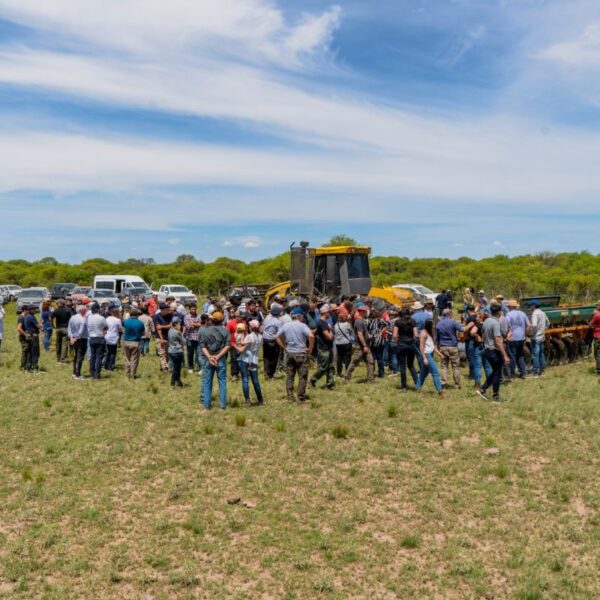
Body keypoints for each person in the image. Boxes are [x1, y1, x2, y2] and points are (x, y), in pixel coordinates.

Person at [277, 307, 314, 402]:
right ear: (299, 316)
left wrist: (284, 346)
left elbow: (277, 336)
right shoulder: (302, 325)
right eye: (302, 316)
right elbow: (311, 336)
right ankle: (301, 397)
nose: (303, 318)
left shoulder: (286, 325)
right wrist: (310, 348)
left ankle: (290, 396)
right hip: (301, 353)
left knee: (290, 376)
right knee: (303, 377)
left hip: (290, 353)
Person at [477, 303, 511, 401]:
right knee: (497, 374)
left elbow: (483, 336)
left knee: (495, 371)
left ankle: (483, 389)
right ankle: (495, 395)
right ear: (499, 312)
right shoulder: (495, 323)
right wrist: (505, 355)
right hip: (494, 351)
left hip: (487, 349)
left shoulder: (487, 321)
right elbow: (497, 340)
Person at [200, 311, 230, 409]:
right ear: (222, 320)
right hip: (220, 359)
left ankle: (207, 405)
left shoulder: (205, 331)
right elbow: (227, 346)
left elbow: (203, 347)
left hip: (209, 360)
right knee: (222, 382)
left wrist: (209, 357)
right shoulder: (225, 331)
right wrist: (217, 357)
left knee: (207, 382)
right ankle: (222, 405)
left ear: (212, 320)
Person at [237, 319, 265, 405]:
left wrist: (241, 336)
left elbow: (242, 346)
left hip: (244, 360)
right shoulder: (261, 337)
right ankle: (260, 400)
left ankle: (247, 400)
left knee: (245, 380)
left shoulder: (249, 336)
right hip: (254, 360)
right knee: (255, 381)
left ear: (251, 327)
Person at [435, 308, 463, 388]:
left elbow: (437, 339)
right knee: (456, 367)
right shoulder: (453, 322)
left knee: (444, 366)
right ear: (449, 314)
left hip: (443, 347)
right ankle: (457, 384)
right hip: (453, 346)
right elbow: (461, 329)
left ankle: (443, 383)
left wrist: (438, 349)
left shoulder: (438, 324)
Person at [345, 305, 374, 382]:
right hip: (360, 346)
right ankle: (346, 378)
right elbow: (359, 334)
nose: (368, 313)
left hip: (365, 345)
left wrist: (368, 336)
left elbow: (363, 334)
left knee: (370, 361)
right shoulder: (359, 321)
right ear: (362, 312)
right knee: (354, 362)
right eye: (366, 311)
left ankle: (370, 379)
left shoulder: (362, 321)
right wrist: (364, 345)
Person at [392, 308, 418, 391]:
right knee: (411, 365)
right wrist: (413, 341)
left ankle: (404, 387)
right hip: (411, 345)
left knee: (402, 366)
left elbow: (395, 335)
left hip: (401, 344)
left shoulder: (398, 322)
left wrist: (396, 343)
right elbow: (416, 335)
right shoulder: (413, 321)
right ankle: (417, 384)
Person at [310, 304, 335, 390]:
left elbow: (314, 332)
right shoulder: (323, 324)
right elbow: (329, 337)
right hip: (324, 348)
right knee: (323, 367)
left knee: (331, 366)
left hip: (328, 347)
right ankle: (312, 380)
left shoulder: (321, 323)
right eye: (329, 312)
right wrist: (331, 330)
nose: (330, 314)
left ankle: (330, 384)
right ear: (325, 313)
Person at [416, 320, 443, 396]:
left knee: (423, 373)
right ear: (429, 325)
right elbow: (421, 347)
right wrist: (424, 358)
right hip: (426, 355)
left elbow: (432, 346)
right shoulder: (424, 333)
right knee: (435, 372)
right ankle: (440, 390)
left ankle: (417, 387)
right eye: (433, 325)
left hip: (430, 354)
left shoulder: (431, 332)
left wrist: (439, 353)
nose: (434, 326)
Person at [505, 299, 531, 379]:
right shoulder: (523, 313)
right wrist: (525, 335)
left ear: (510, 307)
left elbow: (506, 326)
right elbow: (529, 325)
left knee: (512, 356)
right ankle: (523, 373)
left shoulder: (508, 314)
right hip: (521, 338)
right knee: (520, 355)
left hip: (513, 338)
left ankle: (512, 374)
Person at [529, 300, 550, 377]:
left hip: (536, 337)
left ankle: (535, 372)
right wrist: (544, 329)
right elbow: (548, 323)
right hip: (542, 337)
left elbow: (534, 325)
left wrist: (531, 333)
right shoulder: (543, 313)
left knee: (535, 355)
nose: (530, 307)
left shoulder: (534, 313)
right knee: (541, 354)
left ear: (534, 306)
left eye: (531, 305)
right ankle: (542, 371)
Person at [122, 308, 144, 379]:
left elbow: (123, 328)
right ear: (137, 315)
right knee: (134, 360)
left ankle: (126, 373)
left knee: (127, 359)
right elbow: (143, 333)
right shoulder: (140, 323)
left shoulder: (125, 322)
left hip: (126, 341)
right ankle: (132, 374)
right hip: (136, 342)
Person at [262, 303, 283, 379]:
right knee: (274, 358)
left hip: (265, 340)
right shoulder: (278, 322)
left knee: (266, 357)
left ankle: (265, 372)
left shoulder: (266, 318)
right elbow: (279, 334)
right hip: (273, 341)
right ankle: (270, 374)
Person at [68, 304, 89, 380]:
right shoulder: (82, 320)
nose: (86, 310)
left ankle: (74, 372)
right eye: (85, 309)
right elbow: (81, 331)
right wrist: (75, 338)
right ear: (81, 310)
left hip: (74, 338)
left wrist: (71, 337)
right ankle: (78, 374)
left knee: (76, 355)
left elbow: (69, 328)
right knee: (80, 356)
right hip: (81, 339)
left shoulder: (72, 317)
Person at [87, 303, 107, 379]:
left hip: (92, 337)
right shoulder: (101, 318)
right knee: (99, 356)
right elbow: (105, 327)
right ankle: (97, 373)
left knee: (93, 356)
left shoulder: (89, 317)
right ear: (98, 309)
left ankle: (92, 371)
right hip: (100, 338)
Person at [366, 307, 388, 378]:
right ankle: (381, 373)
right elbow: (388, 324)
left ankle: (372, 373)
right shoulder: (380, 320)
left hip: (372, 341)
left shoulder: (368, 321)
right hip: (379, 341)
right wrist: (382, 331)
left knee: (372, 358)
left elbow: (365, 330)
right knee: (380, 358)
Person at [333, 311, 354, 378]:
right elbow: (351, 331)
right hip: (346, 343)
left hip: (338, 343)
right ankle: (347, 373)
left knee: (339, 358)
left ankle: (339, 373)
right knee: (347, 358)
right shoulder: (347, 324)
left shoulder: (336, 325)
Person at [153, 303, 172, 373]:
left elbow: (171, 325)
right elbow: (158, 329)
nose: (168, 310)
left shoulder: (170, 316)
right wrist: (161, 339)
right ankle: (165, 368)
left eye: (168, 309)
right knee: (162, 353)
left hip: (168, 337)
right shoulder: (156, 317)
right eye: (166, 309)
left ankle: (163, 366)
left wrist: (162, 326)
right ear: (161, 310)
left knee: (167, 354)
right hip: (159, 337)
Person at [226, 311, 245, 380]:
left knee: (241, 359)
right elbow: (226, 333)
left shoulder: (244, 323)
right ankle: (234, 374)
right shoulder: (230, 323)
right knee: (234, 359)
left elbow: (245, 333)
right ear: (236, 316)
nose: (242, 318)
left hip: (241, 344)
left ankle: (240, 373)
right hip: (233, 344)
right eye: (241, 317)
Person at [183, 304, 202, 373]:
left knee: (199, 353)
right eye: (192, 309)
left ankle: (200, 367)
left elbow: (202, 324)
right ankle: (190, 367)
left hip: (198, 337)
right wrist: (197, 324)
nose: (194, 310)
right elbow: (189, 326)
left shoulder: (199, 316)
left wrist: (194, 324)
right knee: (190, 353)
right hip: (190, 338)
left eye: (195, 309)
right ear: (189, 309)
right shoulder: (186, 317)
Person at [23, 305, 42, 372]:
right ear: (30, 310)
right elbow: (38, 326)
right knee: (35, 353)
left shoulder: (27, 316)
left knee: (30, 353)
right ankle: (35, 368)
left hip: (29, 336)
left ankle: (28, 367)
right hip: (33, 336)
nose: (35, 310)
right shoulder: (31, 317)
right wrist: (41, 324)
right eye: (34, 309)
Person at [52, 299, 72, 364]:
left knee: (58, 344)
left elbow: (51, 318)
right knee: (64, 344)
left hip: (58, 328)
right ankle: (62, 359)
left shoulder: (56, 310)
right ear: (64, 303)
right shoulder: (68, 310)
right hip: (66, 328)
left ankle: (58, 359)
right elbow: (71, 319)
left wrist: (53, 325)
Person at [103, 305, 123, 371]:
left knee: (108, 352)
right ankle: (111, 366)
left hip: (107, 336)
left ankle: (105, 365)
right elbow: (120, 329)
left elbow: (104, 327)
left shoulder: (107, 319)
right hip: (114, 337)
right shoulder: (118, 320)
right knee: (113, 352)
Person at [168, 317, 186, 387]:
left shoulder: (170, 330)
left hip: (171, 351)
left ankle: (176, 381)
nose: (180, 325)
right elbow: (184, 342)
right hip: (177, 351)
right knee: (177, 368)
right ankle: (175, 382)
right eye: (179, 323)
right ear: (175, 324)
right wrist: (180, 333)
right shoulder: (177, 332)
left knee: (175, 367)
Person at [590, 302, 600, 376]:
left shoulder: (597, 315)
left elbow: (590, 324)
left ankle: (598, 371)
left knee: (597, 354)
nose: (596, 306)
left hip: (598, 337)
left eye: (597, 305)